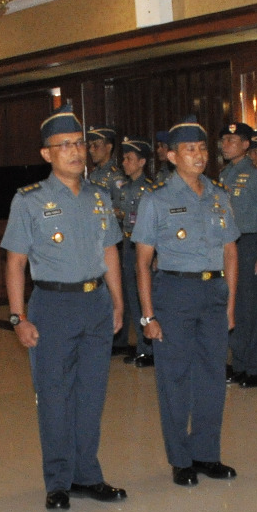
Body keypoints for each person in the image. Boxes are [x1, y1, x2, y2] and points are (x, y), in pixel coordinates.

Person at [3, 101, 127, 511]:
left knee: (91, 394)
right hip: (52, 304)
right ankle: (58, 480)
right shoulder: (29, 200)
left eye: (80, 144)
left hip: (95, 303)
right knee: (54, 396)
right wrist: (18, 316)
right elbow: (16, 263)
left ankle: (88, 475)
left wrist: (118, 303)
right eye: (65, 145)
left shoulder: (99, 195)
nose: (76, 152)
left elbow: (110, 250)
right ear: (46, 154)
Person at [133, 119, 238, 486]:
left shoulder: (219, 194)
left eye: (203, 148)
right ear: (172, 155)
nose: (199, 155)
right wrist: (148, 316)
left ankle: (206, 453)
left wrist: (230, 306)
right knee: (174, 378)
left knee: (212, 375)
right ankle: (181, 459)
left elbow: (230, 252)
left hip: (213, 293)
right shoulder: (157, 198)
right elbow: (143, 262)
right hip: (175, 293)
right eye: (190, 150)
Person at [216, 123, 257, 387]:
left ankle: (256, 366)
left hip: (250, 243)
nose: (224, 145)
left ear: (245, 144)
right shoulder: (225, 174)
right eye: (223, 140)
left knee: (252, 307)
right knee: (233, 304)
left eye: (231, 140)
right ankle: (239, 363)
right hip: (227, 245)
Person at [113, 138, 157, 365]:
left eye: (129, 159)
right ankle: (141, 346)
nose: (124, 163)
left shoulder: (149, 189)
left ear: (141, 162)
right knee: (131, 295)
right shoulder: (125, 188)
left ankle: (149, 349)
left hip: (144, 247)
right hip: (127, 244)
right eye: (123, 158)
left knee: (143, 298)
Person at [85, 126, 126, 196]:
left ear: (108, 147)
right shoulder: (94, 173)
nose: (91, 150)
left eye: (95, 145)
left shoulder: (116, 176)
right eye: (90, 146)